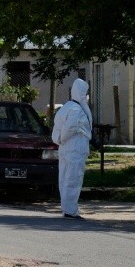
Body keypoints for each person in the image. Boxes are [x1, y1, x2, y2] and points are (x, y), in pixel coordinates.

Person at [52, 78, 92, 220]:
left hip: (65, 148)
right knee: (73, 178)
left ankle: (66, 208)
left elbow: (57, 127)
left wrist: (59, 140)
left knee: (64, 178)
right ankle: (70, 210)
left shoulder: (66, 107)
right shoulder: (77, 110)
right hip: (75, 147)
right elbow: (70, 128)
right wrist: (62, 138)